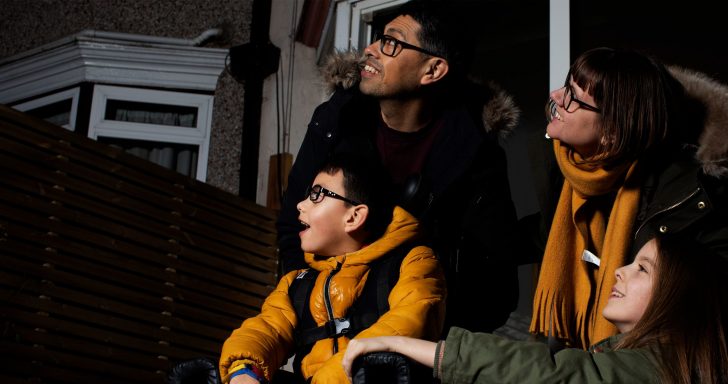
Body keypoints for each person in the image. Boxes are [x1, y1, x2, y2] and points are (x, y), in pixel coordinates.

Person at [276, 0, 520, 334]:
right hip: (332, 327)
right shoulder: (336, 122)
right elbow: (294, 223)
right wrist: (312, 311)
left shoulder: (476, 153)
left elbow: (495, 279)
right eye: (378, 38)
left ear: (432, 70)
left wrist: (432, 339)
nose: (370, 49)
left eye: (391, 42)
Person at [517, 47, 728, 349]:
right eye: (567, 85)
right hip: (581, 353)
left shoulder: (690, 197)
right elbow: (549, 235)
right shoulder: (573, 169)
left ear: (613, 132)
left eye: (575, 97)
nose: (557, 96)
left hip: (644, 357)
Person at [342, 233, 728, 383]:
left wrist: (399, 344)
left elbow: (552, 373)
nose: (620, 272)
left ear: (677, 298)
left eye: (642, 268)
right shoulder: (650, 361)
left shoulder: (653, 370)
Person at [219, 154, 446, 383]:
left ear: (354, 216)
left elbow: (409, 323)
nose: (300, 204)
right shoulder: (296, 283)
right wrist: (244, 370)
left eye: (316, 195)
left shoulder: (412, 262)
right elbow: (266, 329)